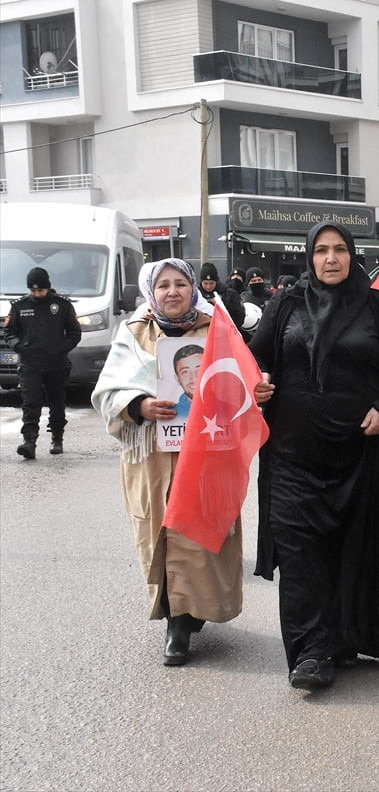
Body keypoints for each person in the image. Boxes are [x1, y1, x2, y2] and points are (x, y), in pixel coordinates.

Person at [250, 221, 379, 690]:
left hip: (360, 456)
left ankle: (342, 639)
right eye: (321, 250)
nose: (330, 259)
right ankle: (309, 653)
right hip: (291, 456)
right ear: (308, 256)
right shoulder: (283, 306)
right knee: (301, 556)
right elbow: (252, 358)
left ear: (353, 256)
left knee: (351, 554)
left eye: (340, 250)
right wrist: (258, 382)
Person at [91, 259, 242, 665]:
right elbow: (106, 392)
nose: (172, 292)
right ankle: (177, 621)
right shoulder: (134, 332)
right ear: (150, 292)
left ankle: (193, 609)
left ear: (193, 288)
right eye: (163, 286)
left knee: (200, 532)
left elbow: (241, 379)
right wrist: (138, 405)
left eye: (180, 284)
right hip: (152, 457)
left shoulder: (217, 329)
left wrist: (252, 391)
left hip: (208, 454)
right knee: (162, 531)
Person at [4, 268, 80, 459]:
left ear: (48, 287)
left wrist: (61, 349)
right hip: (30, 364)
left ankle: (57, 437)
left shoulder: (62, 306)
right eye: (33, 291)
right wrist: (19, 346)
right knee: (31, 403)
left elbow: (74, 333)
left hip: (56, 363)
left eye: (40, 291)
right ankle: (29, 442)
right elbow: (9, 332)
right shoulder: (19, 306)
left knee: (56, 403)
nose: (37, 294)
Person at [197, 262, 245, 329]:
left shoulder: (230, 294)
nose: (208, 287)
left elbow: (239, 315)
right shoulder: (196, 294)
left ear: (216, 281)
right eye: (205, 283)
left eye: (211, 283)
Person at [171, 343, 203, 420]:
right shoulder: (169, 414)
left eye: (199, 369)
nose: (194, 378)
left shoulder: (232, 411)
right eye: (185, 372)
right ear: (178, 379)